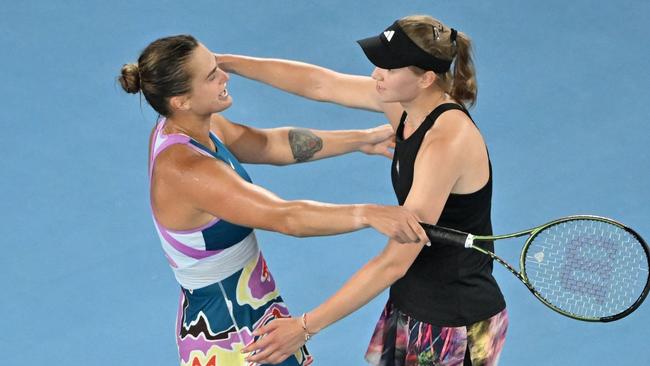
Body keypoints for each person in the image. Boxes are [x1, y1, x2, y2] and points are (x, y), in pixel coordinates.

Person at [118, 35, 429, 366]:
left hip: (246, 309)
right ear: (180, 100)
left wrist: (360, 139)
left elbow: (268, 144)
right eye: (211, 76)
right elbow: (286, 216)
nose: (225, 77)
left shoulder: (187, 126)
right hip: (232, 332)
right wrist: (368, 214)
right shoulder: (187, 170)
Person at [221, 15, 508, 365]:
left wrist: (304, 327)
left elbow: (393, 262)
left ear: (426, 79)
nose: (376, 75)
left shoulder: (446, 142)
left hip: (452, 321)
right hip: (414, 302)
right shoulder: (406, 104)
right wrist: (225, 63)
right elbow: (320, 84)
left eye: (388, 68)